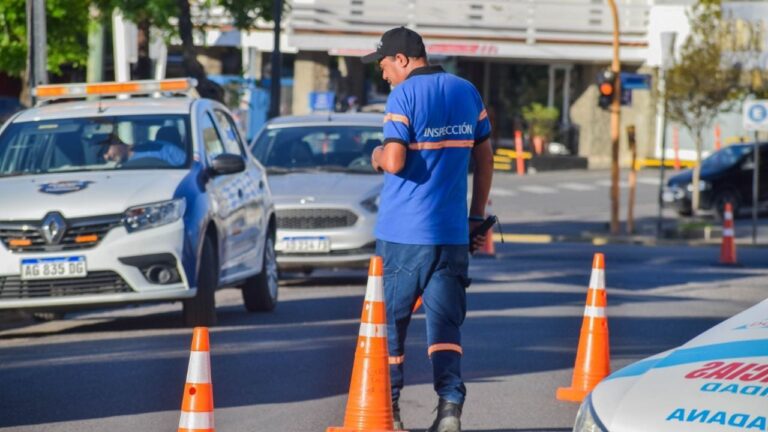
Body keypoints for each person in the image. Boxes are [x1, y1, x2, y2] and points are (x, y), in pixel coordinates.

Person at [363, 26, 494, 432]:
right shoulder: (465, 91)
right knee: (445, 326)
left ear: (402, 59)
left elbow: (397, 160)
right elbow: (486, 158)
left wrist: (377, 154)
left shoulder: (403, 95)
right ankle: (450, 408)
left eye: (384, 65)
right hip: (451, 234)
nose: (383, 75)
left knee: (390, 326)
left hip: (403, 235)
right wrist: (475, 216)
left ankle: (391, 411)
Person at [103, 130, 186, 167]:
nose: (106, 157)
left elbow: (190, 172)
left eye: (106, 150)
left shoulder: (162, 149)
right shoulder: (108, 172)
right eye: (101, 155)